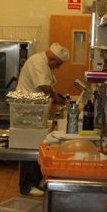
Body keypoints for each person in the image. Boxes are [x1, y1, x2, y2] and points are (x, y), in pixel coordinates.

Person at [16, 43, 69, 196]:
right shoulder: (37, 62)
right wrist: (56, 99)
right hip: (27, 112)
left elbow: (49, 85)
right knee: (30, 146)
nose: (57, 68)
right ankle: (27, 186)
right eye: (57, 64)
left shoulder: (44, 63)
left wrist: (56, 97)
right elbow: (45, 86)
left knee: (36, 146)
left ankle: (35, 181)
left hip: (35, 112)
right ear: (52, 58)